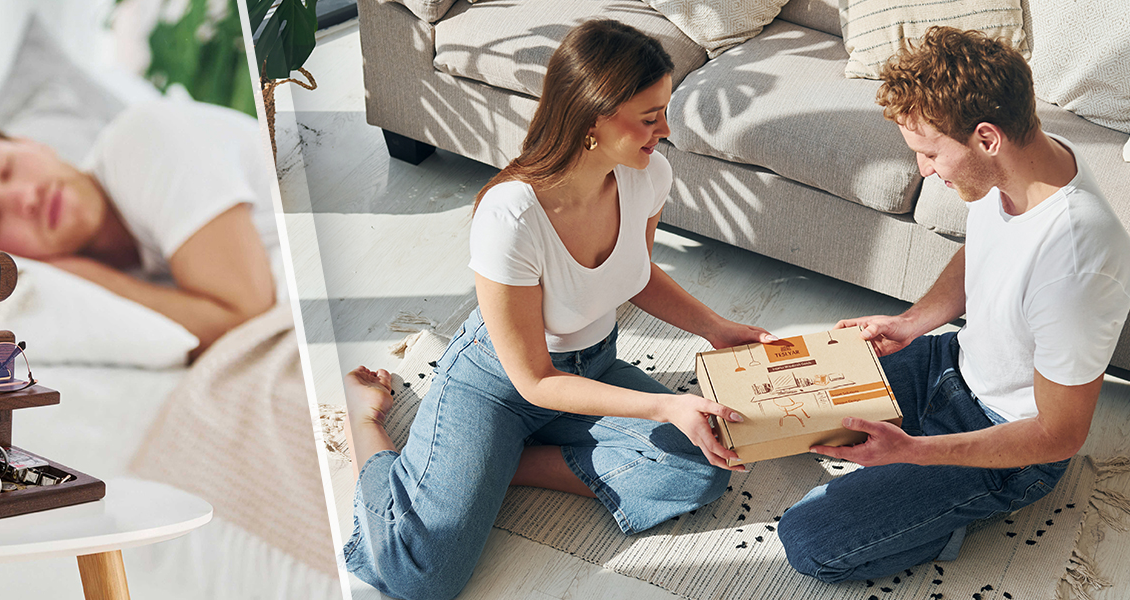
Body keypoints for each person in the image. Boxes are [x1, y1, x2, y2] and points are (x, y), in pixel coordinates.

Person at [340, 20, 777, 600]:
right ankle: (365, 425)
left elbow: (635, 275)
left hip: (592, 367)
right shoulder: (511, 214)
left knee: (702, 465)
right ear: (593, 118)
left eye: (663, 112)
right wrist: (664, 405)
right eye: (650, 118)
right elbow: (534, 379)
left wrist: (717, 328)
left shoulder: (647, 176)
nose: (665, 132)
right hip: (498, 381)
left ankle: (495, 471)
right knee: (420, 576)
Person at [778, 27, 1130, 582]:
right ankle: (913, 477)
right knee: (763, 404)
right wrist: (910, 323)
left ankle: (944, 519)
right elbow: (981, 252)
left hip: (1011, 443)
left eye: (928, 152)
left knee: (809, 540)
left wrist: (913, 453)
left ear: (986, 138)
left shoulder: (1077, 262)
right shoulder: (1026, 168)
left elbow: (1060, 435)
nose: (923, 170)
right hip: (951, 364)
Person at [0, 99, 280, 360]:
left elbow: (244, 319)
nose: (23, 198)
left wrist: (87, 277)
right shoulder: (115, 279)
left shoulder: (142, 139)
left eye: (6, 168)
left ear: (31, 143)